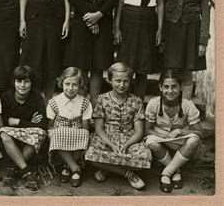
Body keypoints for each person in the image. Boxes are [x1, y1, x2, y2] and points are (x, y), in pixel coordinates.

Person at [114, 0, 167, 100]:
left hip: (149, 20)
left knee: (143, 66)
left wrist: (159, 29)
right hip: (129, 19)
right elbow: (120, 3)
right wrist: (116, 28)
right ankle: (123, 103)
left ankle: (138, 105)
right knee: (126, 65)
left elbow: (160, 4)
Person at [85, 62, 152, 190]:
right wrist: (111, 144)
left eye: (126, 81)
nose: (122, 85)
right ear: (110, 80)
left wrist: (127, 145)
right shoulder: (101, 99)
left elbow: (139, 131)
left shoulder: (136, 100)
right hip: (106, 137)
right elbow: (98, 128)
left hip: (130, 138)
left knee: (145, 158)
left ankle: (108, 168)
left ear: (130, 81)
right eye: (117, 81)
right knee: (90, 154)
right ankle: (128, 174)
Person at [163, 0, 211, 99]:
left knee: (187, 71)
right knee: (170, 70)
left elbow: (206, 14)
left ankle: (186, 107)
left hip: (192, 32)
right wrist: (161, 35)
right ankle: (169, 107)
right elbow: (162, 10)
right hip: (172, 32)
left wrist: (203, 41)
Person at [144, 69, 203, 193]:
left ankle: (166, 173)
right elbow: (147, 130)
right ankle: (176, 171)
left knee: (193, 140)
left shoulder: (187, 105)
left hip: (179, 142)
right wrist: (163, 135)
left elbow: (199, 132)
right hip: (160, 138)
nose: (170, 91)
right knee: (151, 142)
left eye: (174, 87)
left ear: (181, 87)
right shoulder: (154, 103)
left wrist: (180, 132)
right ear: (160, 87)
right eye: (166, 87)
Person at [0, 65, 47, 191]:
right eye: (18, 81)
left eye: (26, 81)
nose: (22, 85)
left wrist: (18, 121)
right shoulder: (5, 98)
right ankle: (27, 172)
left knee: (39, 133)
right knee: (4, 133)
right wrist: (30, 123)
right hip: (11, 138)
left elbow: (42, 125)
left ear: (32, 83)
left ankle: (14, 169)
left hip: (29, 138)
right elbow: (3, 122)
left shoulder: (37, 98)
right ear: (13, 82)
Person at [47, 67, 92, 188]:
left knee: (84, 135)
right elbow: (49, 125)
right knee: (55, 133)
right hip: (59, 133)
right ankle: (75, 168)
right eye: (67, 84)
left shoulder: (85, 103)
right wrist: (54, 131)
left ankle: (67, 166)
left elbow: (85, 128)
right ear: (61, 83)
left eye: (75, 85)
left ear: (80, 84)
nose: (70, 88)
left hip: (77, 132)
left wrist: (81, 133)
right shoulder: (54, 102)